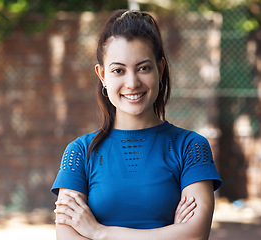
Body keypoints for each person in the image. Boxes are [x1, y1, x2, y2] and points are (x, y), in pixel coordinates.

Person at [51, 9, 222, 240]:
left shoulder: (190, 147)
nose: (132, 83)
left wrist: (99, 232)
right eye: (118, 70)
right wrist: (170, 233)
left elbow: (194, 235)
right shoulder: (79, 153)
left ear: (160, 69)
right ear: (102, 75)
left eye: (143, 68)